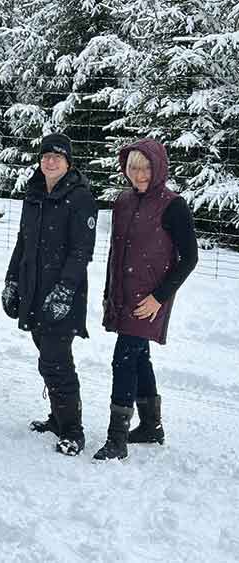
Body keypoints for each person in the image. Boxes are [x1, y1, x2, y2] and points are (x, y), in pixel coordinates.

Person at [93, 139, 198, 461]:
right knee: (139, 357)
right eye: (133, 167)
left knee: (123, 358)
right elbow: (116, 254)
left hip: (149, 299)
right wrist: (109, 293)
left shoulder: (172, 205)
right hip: (123, 294)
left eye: (145, 167)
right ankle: (151, 425)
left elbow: (189, 257)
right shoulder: (123, 202)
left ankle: (117, 439)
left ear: (158, 168)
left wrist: (159, 298)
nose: (139, 174)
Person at [2, 133, 97, 456]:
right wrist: (12, 281)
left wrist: (65, 290)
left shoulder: (80, 197)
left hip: (62, 293)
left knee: (57, 361)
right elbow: (22, 242)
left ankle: (73, 429)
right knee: (46, 356)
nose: (51, 161)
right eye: (46, 156)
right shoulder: (35, 193)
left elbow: (82, 251)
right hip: (33, 288)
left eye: (57, 156)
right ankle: (58, 418)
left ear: (68, 162)